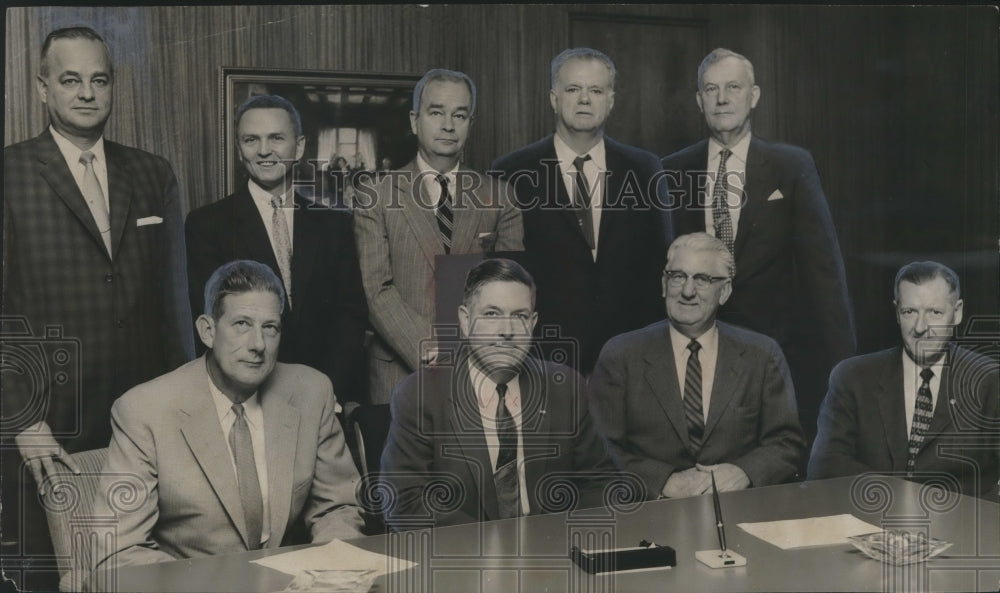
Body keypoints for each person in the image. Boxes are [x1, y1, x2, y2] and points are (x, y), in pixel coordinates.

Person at [1, 27, 193, 586]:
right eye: (70, 80)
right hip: (47, 427)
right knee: (53, 577)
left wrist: (185, 404)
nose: (86, 92)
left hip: (145, 422)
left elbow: (175, 304)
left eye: (99, 79)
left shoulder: (152, 173)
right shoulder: (9, 173)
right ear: (42, 89)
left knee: (147, 576)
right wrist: (23, 420)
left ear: (113, 87)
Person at [90, 260, 364, 576]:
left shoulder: (311, 392)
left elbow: (338, 507)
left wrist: (328, 572)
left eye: (270, 327)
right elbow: (119, 553)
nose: (258, 345)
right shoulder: (144, 411)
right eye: (242, 324)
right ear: (208, 330)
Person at [661, 48, 855, 441]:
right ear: (699, 100)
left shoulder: (791, 165)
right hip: (696, 355)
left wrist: (845, 372)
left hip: (778, 353)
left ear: (755, 95)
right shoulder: (670, 171)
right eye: (711, 89)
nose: (722, 98)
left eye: (734, 87)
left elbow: (825, 274)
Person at [379, 258, 613, 529]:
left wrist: (554, 544)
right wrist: (493, 550)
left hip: (552, 552)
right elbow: (405, 503)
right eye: (492, 314)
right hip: (466, 558)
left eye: (519, 316)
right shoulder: (420, 395)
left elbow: (599, 483)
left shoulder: (565, 387)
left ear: (533, 322)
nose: (507, 331)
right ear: (465, 321)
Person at [491, 47, 670, 374]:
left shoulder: (645, 170)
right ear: (553, 99)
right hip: (543, 361)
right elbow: (503, 276)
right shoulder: (511, 172)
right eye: (573, 89)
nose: (584, 99)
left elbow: (661, 267)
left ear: (611, 101)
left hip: (631, 359)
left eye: (596, 90)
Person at [589, 233, 805, 500]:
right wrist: (663, 480)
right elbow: (599, 449)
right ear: (664, 284)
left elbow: (787, 443)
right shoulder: (621, 355)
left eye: (702, 279)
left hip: (738, 506)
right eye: (678, 276)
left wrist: (743, 472)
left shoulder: (761, 354)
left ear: (724, 291)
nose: (688, 291)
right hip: (650, 513)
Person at [354, 69, 523, 405]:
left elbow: (510, 294)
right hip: (399, 374)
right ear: (415, 121)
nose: (448, 124)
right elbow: (376, 290)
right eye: (436, 112)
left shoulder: (501, 198)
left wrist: (470, 353)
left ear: (470, 123)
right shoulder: (375, 195)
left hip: (481, 373)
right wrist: (431, 348)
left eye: (459, 115)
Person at [186, 95, 369, 404]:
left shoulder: (333, 224)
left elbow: (350, 316)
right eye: (251, 139)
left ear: (298, 147)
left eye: (276, 138)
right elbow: (211, 322)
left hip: (325, 397)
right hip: (245, 396)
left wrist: (325, 391)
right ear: (239, 148)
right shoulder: (207, 225)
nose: (264, 150)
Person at [808, 261, 999, 498]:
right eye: (910, 312)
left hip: (961, 524)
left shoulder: (990, 380)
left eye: (935, 312)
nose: (921, 327)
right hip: (872, 518)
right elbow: (825, 469)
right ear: (897, 312)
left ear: (957, 312)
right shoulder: (852, 378)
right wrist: (903, 500)